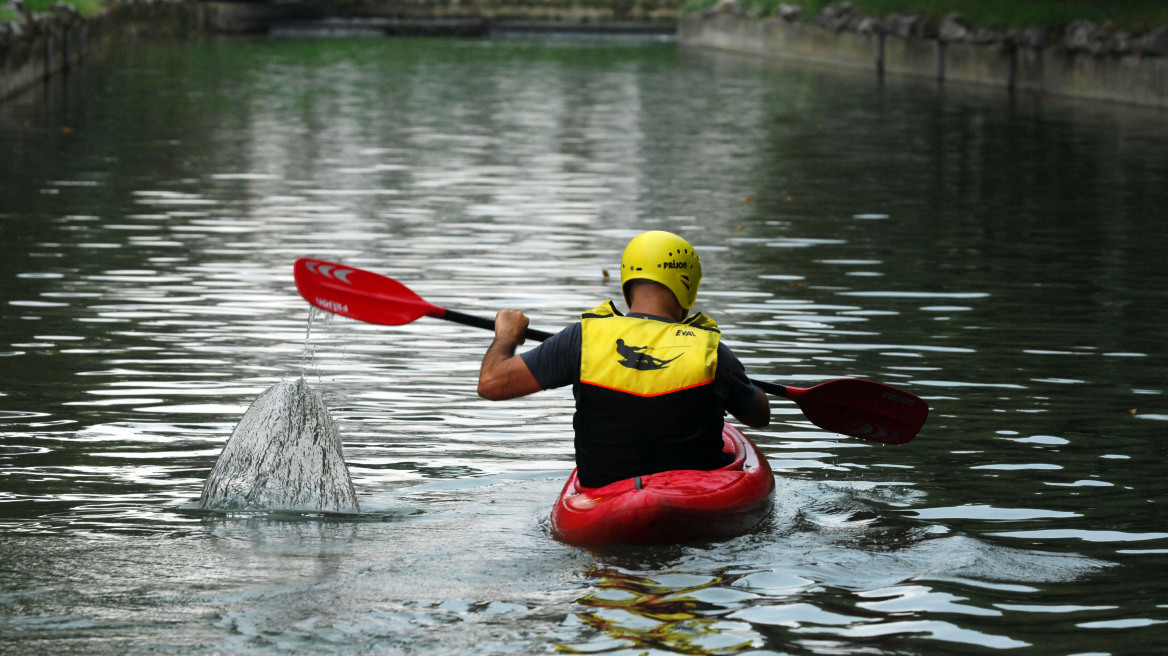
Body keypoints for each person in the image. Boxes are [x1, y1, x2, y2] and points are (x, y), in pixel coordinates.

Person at [477, 230, 770, 489]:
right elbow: (759, 416)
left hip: (604, 498)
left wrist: (506, 335)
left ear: (627, 281)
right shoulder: (710, 350)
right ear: (688, 284)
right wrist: (736, 382)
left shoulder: (582, 338)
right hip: (692, 496)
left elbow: (491, 383)